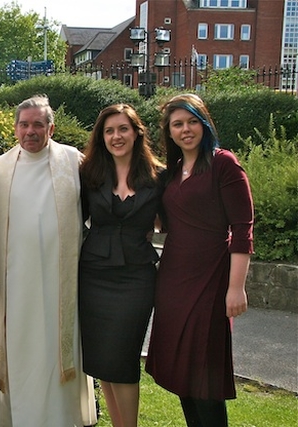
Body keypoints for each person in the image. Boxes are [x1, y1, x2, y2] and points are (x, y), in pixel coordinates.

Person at [145, 93, 254, 427]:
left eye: (192, 121)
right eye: (178, 124)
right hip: (174, 278)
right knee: (182, 371)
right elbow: (161, 221)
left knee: (204, 373)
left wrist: (236, 288)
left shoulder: (223, 163)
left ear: (205, 124)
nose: (186, 129)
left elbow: (242, 227)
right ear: (170, 131)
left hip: (211, 277)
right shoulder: (173, 172)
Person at [0, 95, 98, 427]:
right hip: (16, 283)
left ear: (50, 127)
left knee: (56, 348)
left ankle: (60, 419)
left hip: (59, 280)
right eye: (24, 124)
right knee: (21, 351)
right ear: (15, 129)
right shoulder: (0, 169)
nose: (31, 131)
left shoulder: (72, 160)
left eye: (38, 124)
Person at [78, 104, 164, 427]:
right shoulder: (88, 175)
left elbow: (175, 221)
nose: (116, 136)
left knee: (123, 360)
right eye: (109, 130)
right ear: (101, 137)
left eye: (123, 129)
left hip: (136, 279)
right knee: (103, 363)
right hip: (93, 277)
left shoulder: (159, 176)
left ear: (137, 132)